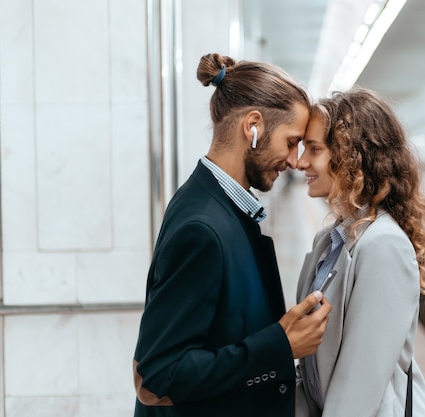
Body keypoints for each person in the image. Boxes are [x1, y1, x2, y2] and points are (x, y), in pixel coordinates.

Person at [133, 53, 332, 417]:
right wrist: (280, 346)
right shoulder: (203, 228)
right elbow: (155, 377)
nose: (293, 160)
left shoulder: (220, 206)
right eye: (291, 142)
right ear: (253, 126)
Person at [295, 87, 425, 417]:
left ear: (350, 157)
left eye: (314, 149)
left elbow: (359, 387)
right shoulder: (329, 240)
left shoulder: (383, 245)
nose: (301, 161)